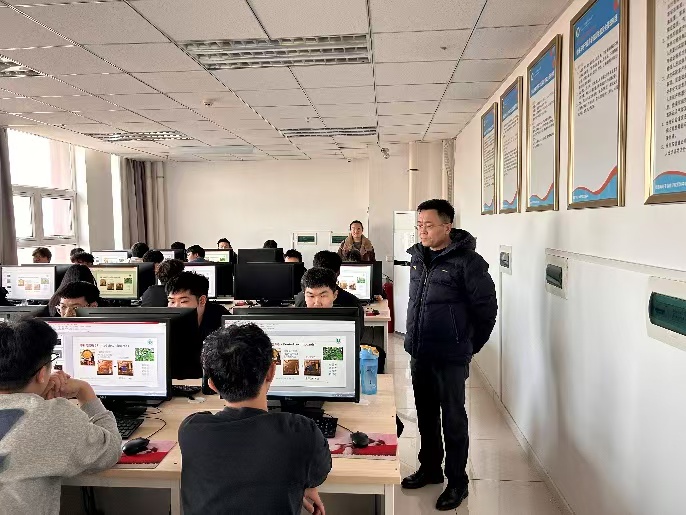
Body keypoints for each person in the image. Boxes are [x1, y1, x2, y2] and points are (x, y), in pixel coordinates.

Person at [401, 199, 497, 511]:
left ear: (447, 226)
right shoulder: (417, 258)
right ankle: (430, 468)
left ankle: (457, 482)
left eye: (429, 225)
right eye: (419, 225)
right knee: (425, 415)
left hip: (450, 356)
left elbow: (486, 309)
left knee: (453, 420)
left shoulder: (469, 262)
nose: (422, 231)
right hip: (421, 352)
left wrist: (466, 345)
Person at [178, 323, 331, 515]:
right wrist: (301, 484)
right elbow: (317, 474)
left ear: (212, 385)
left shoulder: (191, 430)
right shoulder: (300, 432)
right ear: (271, 372)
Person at [0, 319, 121, 514]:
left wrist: (35, 398)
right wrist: (84, 391)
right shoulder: (51, 415)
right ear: (42, 374)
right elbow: (111, 450)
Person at [166, 272, 227, 341]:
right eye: (172, 302)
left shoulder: (222, 322)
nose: (176, 307)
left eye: (183, 301)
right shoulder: (165, 322)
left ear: (202, 301)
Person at [294, 251, 360, 309]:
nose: (317, 303)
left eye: (323, 296)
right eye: (311, 296)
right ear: (338, 272)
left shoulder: (300, 298)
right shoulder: (352, 301)